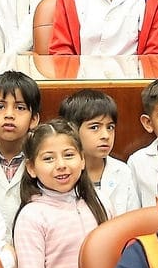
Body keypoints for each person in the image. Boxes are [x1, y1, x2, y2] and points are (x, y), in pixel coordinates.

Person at [14, 120, 107, 268]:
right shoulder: (32, 216)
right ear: (31, 168)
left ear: (83, 160)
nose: (61, 165)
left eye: (69, 155)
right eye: (49, 159)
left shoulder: (96, 203)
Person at [58, 89, 143, 218]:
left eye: (110, 127)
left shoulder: (122, 171)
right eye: (94, 127)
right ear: (72, 130)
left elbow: (133, 220)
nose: (105, 136)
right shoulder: (63, 172)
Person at [0, 71, 40, 220]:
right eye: (0, 106)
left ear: (34, 119)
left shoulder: (43, 154)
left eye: (20, 107)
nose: (9, 114)